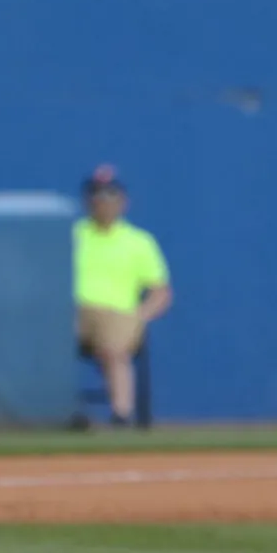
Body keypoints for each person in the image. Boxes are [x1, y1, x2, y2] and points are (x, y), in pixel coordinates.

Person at [73, 166, 172, 428]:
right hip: (74, 313)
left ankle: (121, 414)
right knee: (46, 346)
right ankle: (56, 412)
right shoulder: (73, 236)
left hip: (119, 314)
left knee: (114, 348)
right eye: (96, 194)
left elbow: (161, 291)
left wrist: (140, 315)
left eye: (110, 195)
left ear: (123, 201)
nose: (103, 201)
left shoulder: (139, 242)